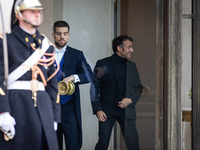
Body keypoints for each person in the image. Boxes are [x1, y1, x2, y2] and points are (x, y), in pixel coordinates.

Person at [0, 0, 61, 150]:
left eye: (39, 11)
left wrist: (54, 115)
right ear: (19, 14)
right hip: (17, 106)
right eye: (32, 11)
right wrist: (3, 111)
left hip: (44, 108)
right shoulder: (6, 42)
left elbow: (53, 84)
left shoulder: (47, 45)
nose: (37, 15)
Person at [91, 35, 143, 150]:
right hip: (106, 111)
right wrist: (98, 109)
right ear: (119, 48)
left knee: (133, 144)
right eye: (129, 47)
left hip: (127, 111)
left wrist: (130, 100)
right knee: (103, 143)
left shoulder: (132, 66)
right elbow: (94, 88)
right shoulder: (102, 63)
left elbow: (139, 88)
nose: (132, 50)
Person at [52, 20, 93, 150]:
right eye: (58, 33)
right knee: (52, 145)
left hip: (69, 108)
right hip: (49, 106)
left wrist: (74, 77)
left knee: (73, 145)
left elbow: (89, 76)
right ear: (53, 34)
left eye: (64, 34)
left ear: (68, 35)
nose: (61, 37)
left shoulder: (77, 54)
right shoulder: (43, 54)